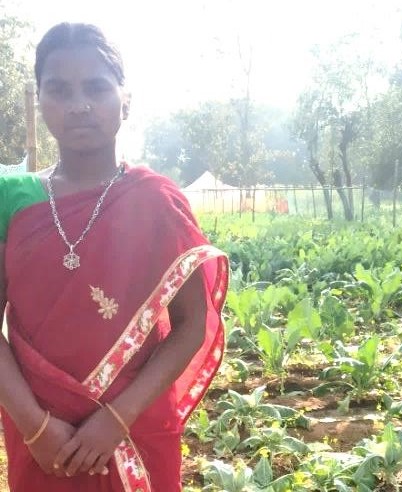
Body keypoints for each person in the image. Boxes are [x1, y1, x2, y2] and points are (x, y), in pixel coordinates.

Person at [0, 22, 228, 492]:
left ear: (126, 100)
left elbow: (190, 324)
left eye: (96, 87)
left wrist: (116, 419)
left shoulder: (156, 201)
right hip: (43, 437)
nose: (79, 104)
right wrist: (35, 426)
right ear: (39, 101)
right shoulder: (13, 202)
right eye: (59, 90)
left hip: (135, 427)